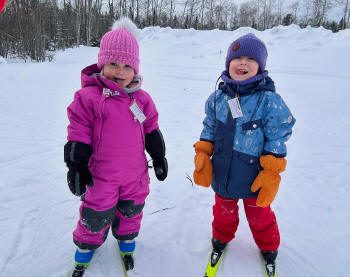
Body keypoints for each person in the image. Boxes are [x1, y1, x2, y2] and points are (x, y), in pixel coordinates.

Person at [64, 17, 168, 276]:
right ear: (102, 64)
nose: (119, 71)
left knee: (132, 209)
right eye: (113, 64)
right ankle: (86, 247)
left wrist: (158, 154)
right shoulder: (88, 98)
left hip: (135, 174)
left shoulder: (141, 99)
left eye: (126, 65)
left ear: (135, 69)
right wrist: (76, 164)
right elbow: (79, 130)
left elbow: (151, 128)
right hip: (101, 175)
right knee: (96, 212)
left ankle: (127, 240)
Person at [193, 33, 295, 275]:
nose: (243, 63)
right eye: (237, 57)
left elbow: (279, 132)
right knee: (223, 212)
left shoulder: (269, 100)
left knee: (260, 215)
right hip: (224, 171)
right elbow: (209, 126)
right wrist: (204, 151)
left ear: (260, 66)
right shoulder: (217, 98)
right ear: (228, 63)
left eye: (251, 59)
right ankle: (221, 238)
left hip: (254, 175)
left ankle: (269, 246)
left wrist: (272, 169)